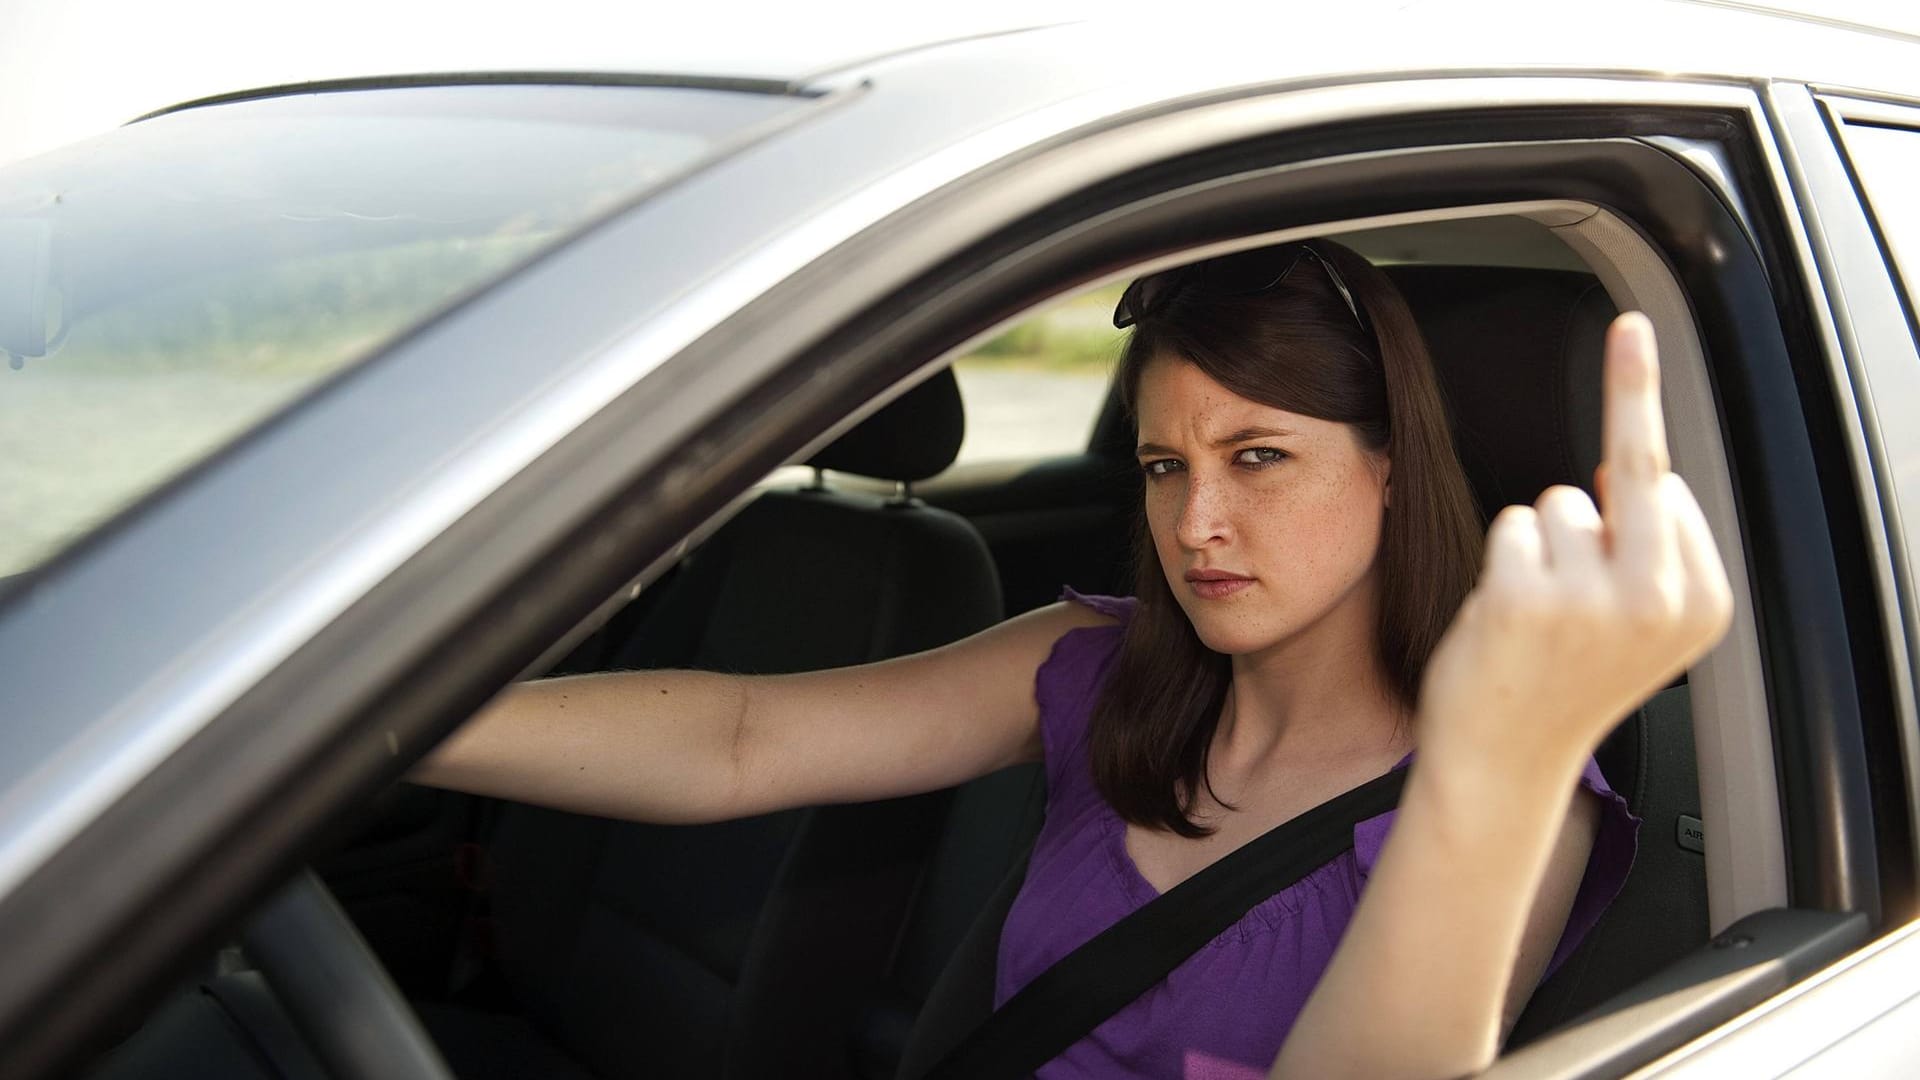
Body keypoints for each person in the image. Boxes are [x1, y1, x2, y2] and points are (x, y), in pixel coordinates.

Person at [415, 239, 1733, 1080]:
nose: (1194, 523)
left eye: (1259, 458)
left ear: (1391, 470)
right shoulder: (1099, 665)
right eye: (1166, 465)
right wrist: (391, 720)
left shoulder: (1514, 806)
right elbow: (745, 737)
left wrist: (1500, 758)